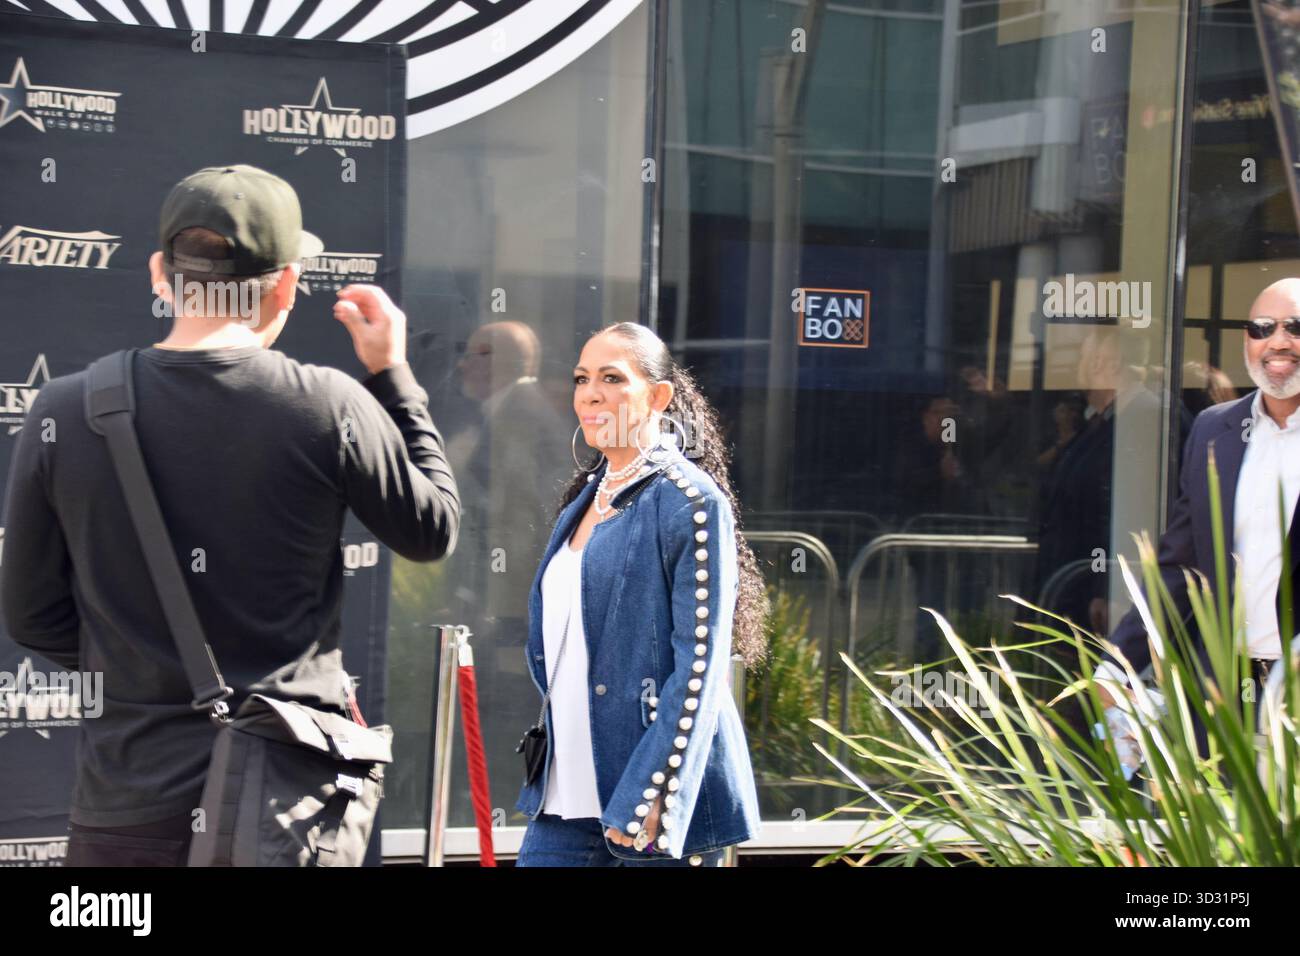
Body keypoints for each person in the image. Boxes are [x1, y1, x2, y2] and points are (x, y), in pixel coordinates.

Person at [0, 164, 460, 866]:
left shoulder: (64, 409)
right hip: (282, 809)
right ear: (284, 284)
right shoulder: (327, 405)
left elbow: (32, 614)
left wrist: (135, 659)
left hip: (124, 808)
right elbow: (432, 530)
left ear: (161, 274)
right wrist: (394, 380)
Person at [513, 322, 767, 866]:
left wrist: (657, 789)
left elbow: (700, 666)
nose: (591, 393)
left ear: (658, 397)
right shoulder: (584, 497)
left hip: (641, 809)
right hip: (563, 802)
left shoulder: (689, 501)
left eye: (612, 378)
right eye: (582, 378)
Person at [1098, 278, 1300, 750]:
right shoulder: (1215, 429)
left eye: (1295, 327)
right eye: (1261, 327)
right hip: (1222, 688)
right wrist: (1118, 663)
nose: (1278, 342)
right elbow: (1180, 563)